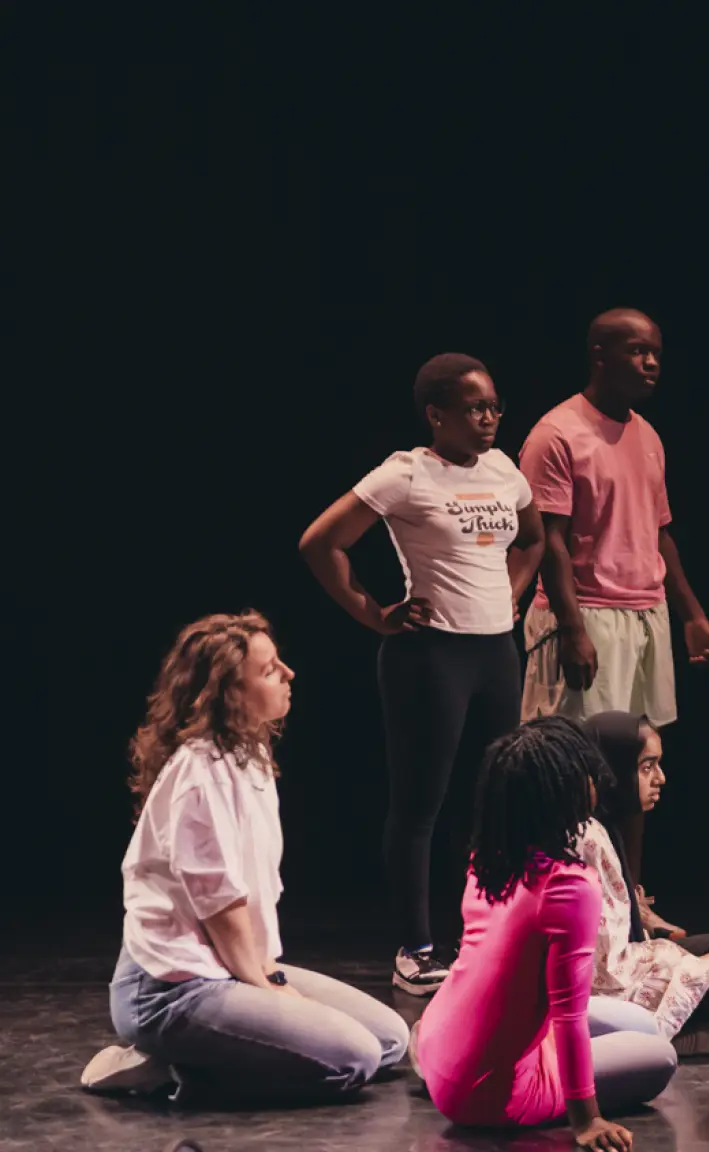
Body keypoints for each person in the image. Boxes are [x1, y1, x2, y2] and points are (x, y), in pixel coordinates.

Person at [83, 612, 409, 1104]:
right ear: (230, 693)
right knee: (355, 1058)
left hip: (227, 965)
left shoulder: (247, 754)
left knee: (389, 1040)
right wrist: (271, 988)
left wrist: (270, 976)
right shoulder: (200, 774)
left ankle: (203, 1055)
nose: (289, 674)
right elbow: (222, 907)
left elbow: (251, 903)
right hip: (171, 989)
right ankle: (171, 1068)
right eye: (270, 669)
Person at [299, 352, 541, 996]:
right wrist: (373, 615)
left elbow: (533, 538)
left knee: (488, 802)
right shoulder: (406, 474)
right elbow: (321, 542)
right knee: (420, 805)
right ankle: (416, 947)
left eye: (494, 406)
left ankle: (480, 937)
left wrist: (512, 593)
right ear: (437, 415)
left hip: (495, 653)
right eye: (474, 408)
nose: (489, 418)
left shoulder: (502, 469)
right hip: (430, 655)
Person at [414, 717, 678, 1151]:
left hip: (441, 1040)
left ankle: (440, 1059)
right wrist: (587, 1119)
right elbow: (569, 1017)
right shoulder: (569, 886)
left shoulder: (490, 858)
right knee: (658, 1055)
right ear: (567, 792)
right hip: (492, 1095)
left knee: (640, 1024)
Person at [517, 308, 709, 732]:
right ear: (600, 356)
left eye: (656, 354)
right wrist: (573, 630)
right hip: (587, 613)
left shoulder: (648, 435)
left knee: (639, 752)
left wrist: (692, 616)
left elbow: (658, 534)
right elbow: (548, 540)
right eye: (637, 351)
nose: (650, 363)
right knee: (572, 750)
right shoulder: (556, 434)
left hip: (647, 613)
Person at [575, 711, 709, 1052]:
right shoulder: (587, 837)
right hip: (609, 985)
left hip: (632, 957)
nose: (660, 778)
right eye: (647, 767)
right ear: (611, 768)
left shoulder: (608, 827)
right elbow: (606, 966)